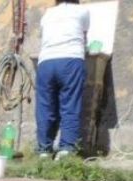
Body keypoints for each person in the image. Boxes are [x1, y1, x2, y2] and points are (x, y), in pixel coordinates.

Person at [36, 0, 90, 159]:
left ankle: (44, 150)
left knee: (45, 106)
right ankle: (66, 149)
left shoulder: (48, 13)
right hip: (71, 59)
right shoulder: (82, 11)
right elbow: (85, 33)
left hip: (46, 62)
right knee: (70, 105)